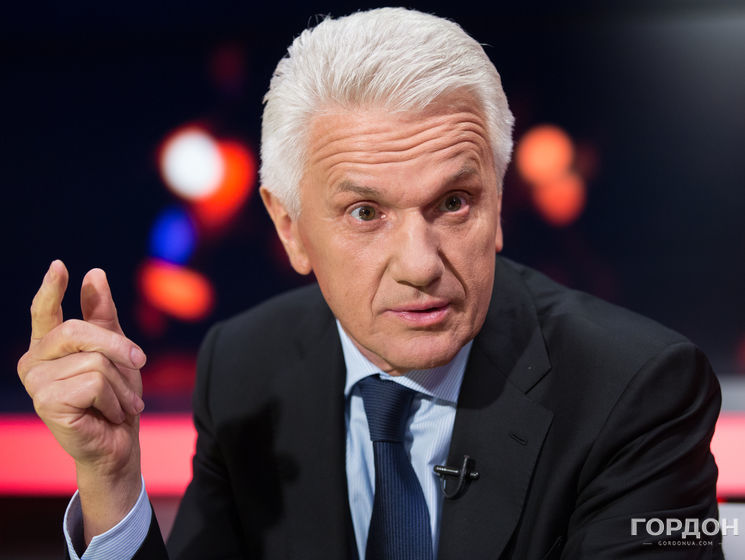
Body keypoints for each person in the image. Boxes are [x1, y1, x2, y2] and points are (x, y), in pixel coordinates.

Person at [17, 8, 722, 560]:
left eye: (454, 203)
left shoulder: (637, 390)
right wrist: (109, 479)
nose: (420, 264)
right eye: (365, 212)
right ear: (290, 228)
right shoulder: (242, 367)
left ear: (499, 205)